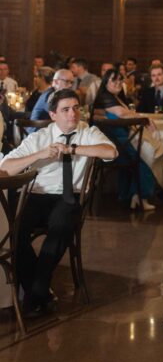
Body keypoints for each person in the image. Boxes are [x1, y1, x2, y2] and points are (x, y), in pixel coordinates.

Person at [0, 88, 117, 316]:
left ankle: (35, 293)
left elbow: (111, 152)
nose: (72, 114)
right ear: (53, 115)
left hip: (69, 196)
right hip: (37, 195)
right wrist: (39, 155)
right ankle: (40, 291)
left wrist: (72, 149)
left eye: (76, 108)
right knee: (13, 229)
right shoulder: (39, 138)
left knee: (61, 224)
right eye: (65, 110)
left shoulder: (88, 132)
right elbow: (4, 169)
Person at [92, 69, 157, 211]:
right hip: (113, 143)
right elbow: (121, 113)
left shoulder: (116, 97)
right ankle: (140, 196)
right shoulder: (104, 96)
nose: (118, 83)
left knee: (146, 153)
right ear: (106, 82)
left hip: (122, 141)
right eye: (114, 80)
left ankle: (130, 195)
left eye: (120, 80)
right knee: (144, 161)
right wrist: (144, 119)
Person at [27, 66, 76, 130]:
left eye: (72, 82)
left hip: (48, 130)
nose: (70, 85)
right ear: (56, 82)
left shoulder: (57, 94)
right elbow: (58, 114)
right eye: (67, 81)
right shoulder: (50, 95)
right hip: (38, 133)